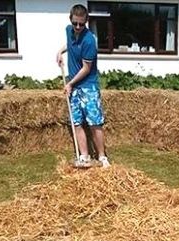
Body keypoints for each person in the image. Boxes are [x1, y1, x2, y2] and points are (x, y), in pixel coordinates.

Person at [56, 4, 109, 168]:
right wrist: (60, 52)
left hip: (88, 86)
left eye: (81, 24)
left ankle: (102, 157)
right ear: (70, 20)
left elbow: (86, 69)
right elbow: (70, 44)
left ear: (86, 22)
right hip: (75, 87)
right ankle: (84, 156)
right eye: (75, 23)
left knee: (94, 123)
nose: (78, 27)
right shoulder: (68, 30)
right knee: (77, 122)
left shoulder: (89, 40)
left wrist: (70, 83)